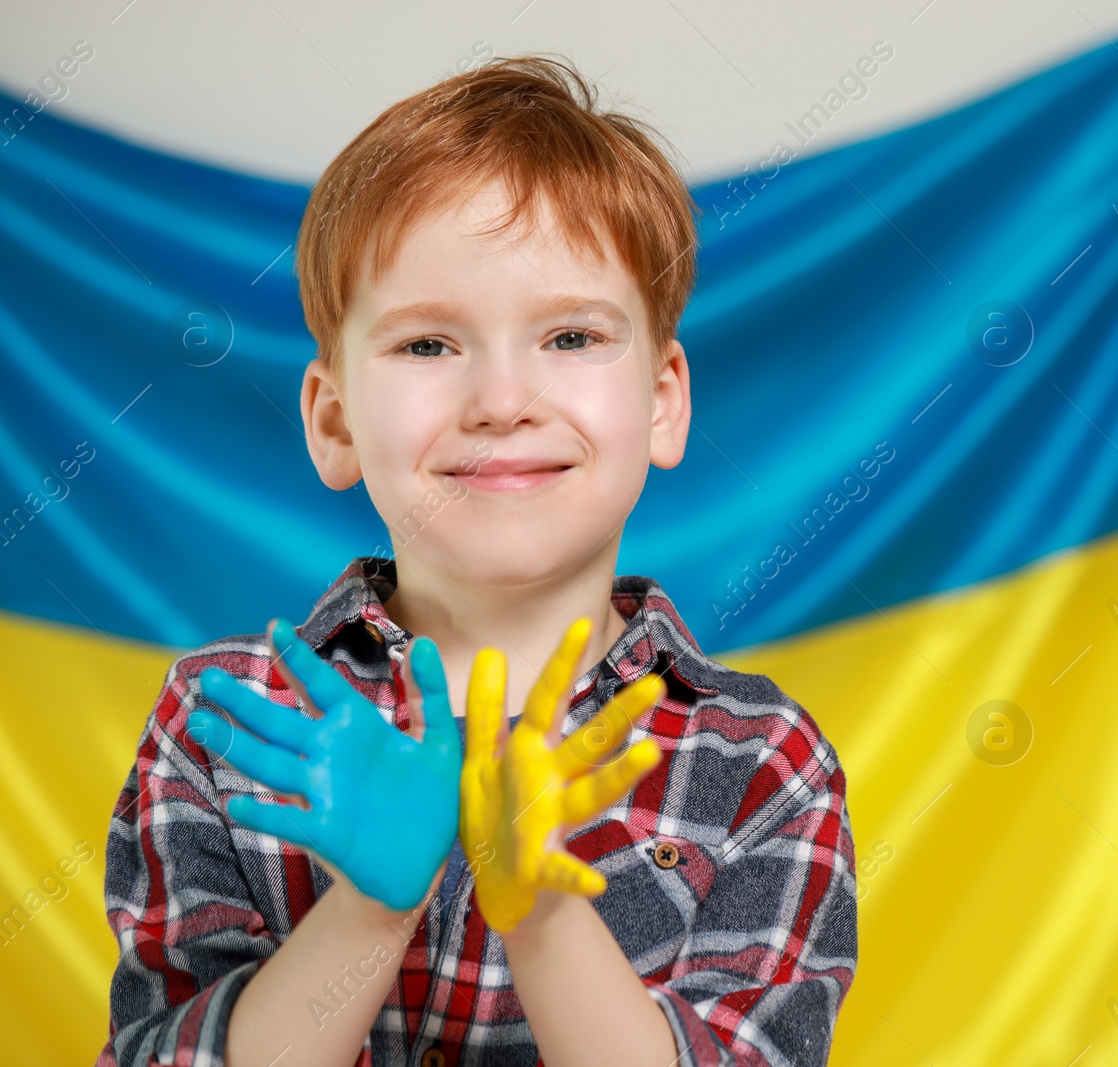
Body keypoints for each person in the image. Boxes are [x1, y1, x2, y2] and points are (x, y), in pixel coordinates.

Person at [98, 54, 858, 1067]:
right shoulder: (230, 722)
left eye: (572, 335)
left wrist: (541, 913)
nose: (502, 399)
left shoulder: (763, 762)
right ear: (333, 422)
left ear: (663, 400)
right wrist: (372, 905)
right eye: (427, 346)